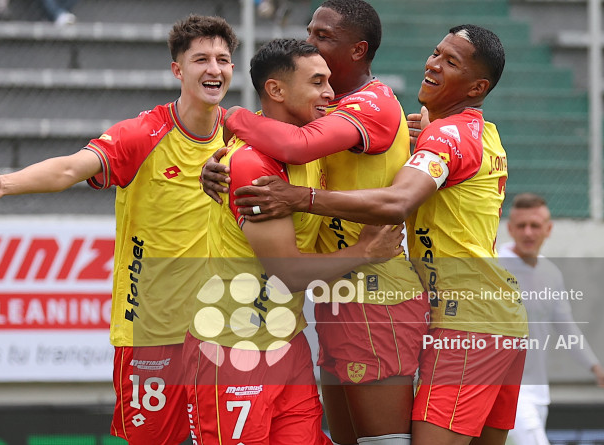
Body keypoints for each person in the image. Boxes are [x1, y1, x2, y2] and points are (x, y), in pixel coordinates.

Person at [213, 24, 530, 445]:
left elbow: (397, 201)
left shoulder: (437, 131)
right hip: (481, 313)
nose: (433, 64)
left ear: (476, 87)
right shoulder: (471, 131)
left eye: (451, 61)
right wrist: (219, 157)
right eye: (436, 52)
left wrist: (295, 192)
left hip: (455, 317)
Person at [0, 14, 237, 445]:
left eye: (222, 59)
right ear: (178, 70)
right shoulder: (142, 134)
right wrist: (7, 184)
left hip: (220, 330)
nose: (214, 69)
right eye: (201, 59)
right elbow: (70, 168)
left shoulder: (241, 135)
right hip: (151, 333)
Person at [203, 0, 429, 445]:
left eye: (323, 36)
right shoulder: (320, 115)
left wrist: (231, 116)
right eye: (310, 32)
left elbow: (299, 146)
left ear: (358, 50)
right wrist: (217, 160)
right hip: (328, 297)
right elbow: (284, 144)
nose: (312, 41)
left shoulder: (367, 105)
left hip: (373, 293)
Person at [499, 193, 604, 445]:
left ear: (548, 229)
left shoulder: (551, 273)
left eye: (535, 225)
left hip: (537, 393)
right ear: (510, 229)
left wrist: (596, 369)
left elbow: (566, 328)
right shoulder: (493, 268)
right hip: (503, 389)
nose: (528, 232)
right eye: (521, 226)